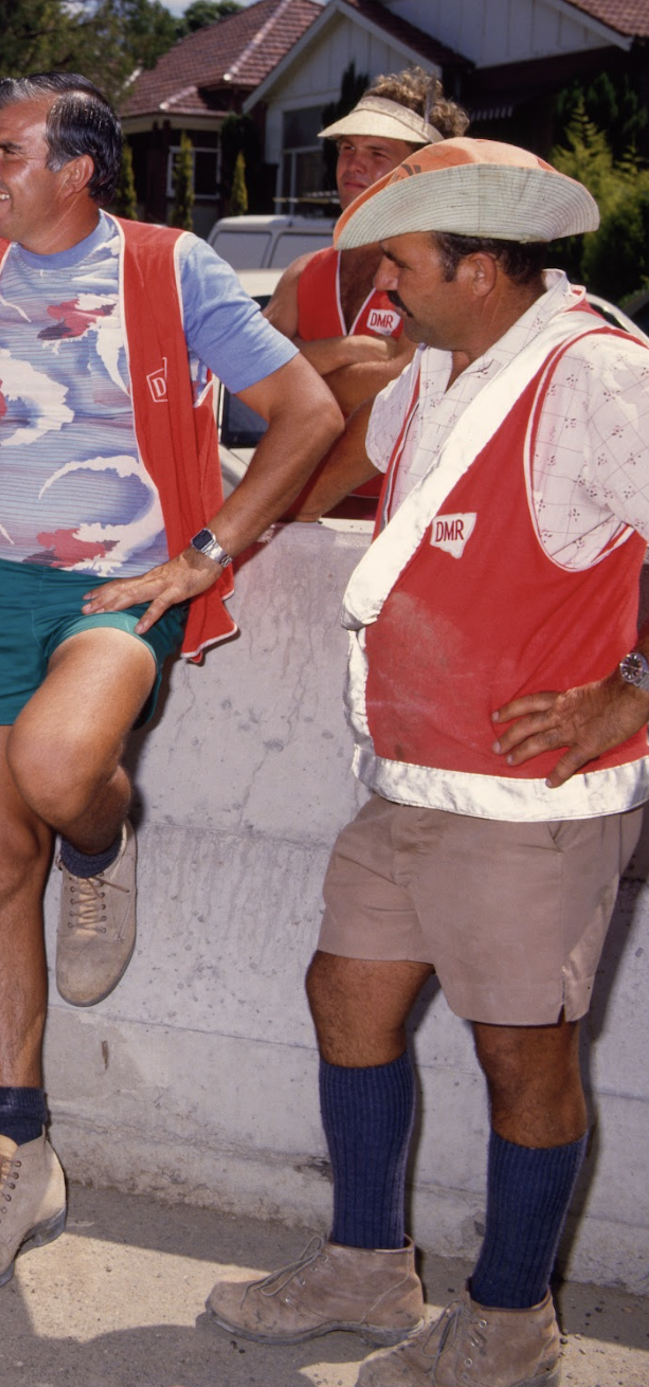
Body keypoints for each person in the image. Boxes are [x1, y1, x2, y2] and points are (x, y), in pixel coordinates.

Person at [0, 73, 340, 1302]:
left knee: (59, 770)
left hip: (122, 594)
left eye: (5, 150)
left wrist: (205, 554)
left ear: (75, 168)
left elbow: (306, 409)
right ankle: (19, 1151)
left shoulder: (175, 269)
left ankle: (103, 843)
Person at [207, 141, 645, 1387]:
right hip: (407, 778)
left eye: (402, 261)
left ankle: (511, 1323)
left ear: (486, 265)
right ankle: (365, 1266)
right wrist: (230, 534)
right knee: (347, 995)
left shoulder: (603, 379)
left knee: (525, 1056)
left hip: (527, 803)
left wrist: (633, 692)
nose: (383, 289)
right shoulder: (442, 370)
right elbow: (342, 467)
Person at [265, 71, 469, 517]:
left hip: (409, 513)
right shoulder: (304, 272)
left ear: (422, 168)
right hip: (302, 510)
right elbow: (248, 372)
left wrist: (296, 379)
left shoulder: (440, 272)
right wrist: (350, 349)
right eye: (347, 148)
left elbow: (403, 383)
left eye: (377, 152)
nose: (353, 164)